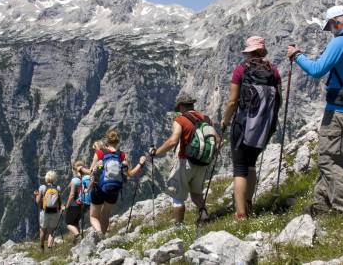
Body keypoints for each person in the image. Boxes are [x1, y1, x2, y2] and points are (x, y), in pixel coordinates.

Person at [287, 5, 343, 215]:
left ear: (337, 22)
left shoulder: (341, 42)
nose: (330, 31)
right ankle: (321, 205)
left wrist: (297, 55)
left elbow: (317, 70)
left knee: (331, 161)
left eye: (330, 27)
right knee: (331, 158)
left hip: (339, 111)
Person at [221, 36, 282, 220]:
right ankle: (249, 204)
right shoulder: (274, 71)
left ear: (248, 52)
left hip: (243, 125)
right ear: (262, 52)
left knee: (239, 168)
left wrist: (225, 120)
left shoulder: (241, 70)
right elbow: (279, 100)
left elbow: (232, 101)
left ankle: (241, 215)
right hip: (263, 126)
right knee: (252, 165)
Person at [149, 94, 221, 225]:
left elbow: (173, 141)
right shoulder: (206, 119)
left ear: (181, 106)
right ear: (192, 104)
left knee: (178, 196)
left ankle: (178, 227)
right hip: (202, 162)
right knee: (196, 193)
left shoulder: (180, 120)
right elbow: (218, 140)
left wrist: (156, 152)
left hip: (185, 161)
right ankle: (203, 213)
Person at [88, 129, 147, 235]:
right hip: (114, 188)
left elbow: (91, 172)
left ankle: (99, 233)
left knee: (93, 216)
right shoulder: (122, 155)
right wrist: (140, 163)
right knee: (105, 215)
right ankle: (103, 237)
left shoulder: (100, 152)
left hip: (98, 187)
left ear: (107, 140)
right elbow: (130, 174)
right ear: (118, 140)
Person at [62, 161, 91, 243]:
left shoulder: (75, 180)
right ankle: (79, 241)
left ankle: (78, 236)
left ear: (75, 169)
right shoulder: (86, 178)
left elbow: (71, 195)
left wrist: (67, 205)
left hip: (74, 205)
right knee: (75, 222)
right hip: (84, 204)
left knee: (69, 223)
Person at [33, 170, 62, 250]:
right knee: (51, 232)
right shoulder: (58, 188)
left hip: (44, 212)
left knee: (42, 229)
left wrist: (36, 195)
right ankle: (50, 247)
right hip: (55, 212)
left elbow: (38, 201)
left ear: (46, 178)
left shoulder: (42, 188)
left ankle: (42, 247)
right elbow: (59, 201)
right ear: (55, 178)